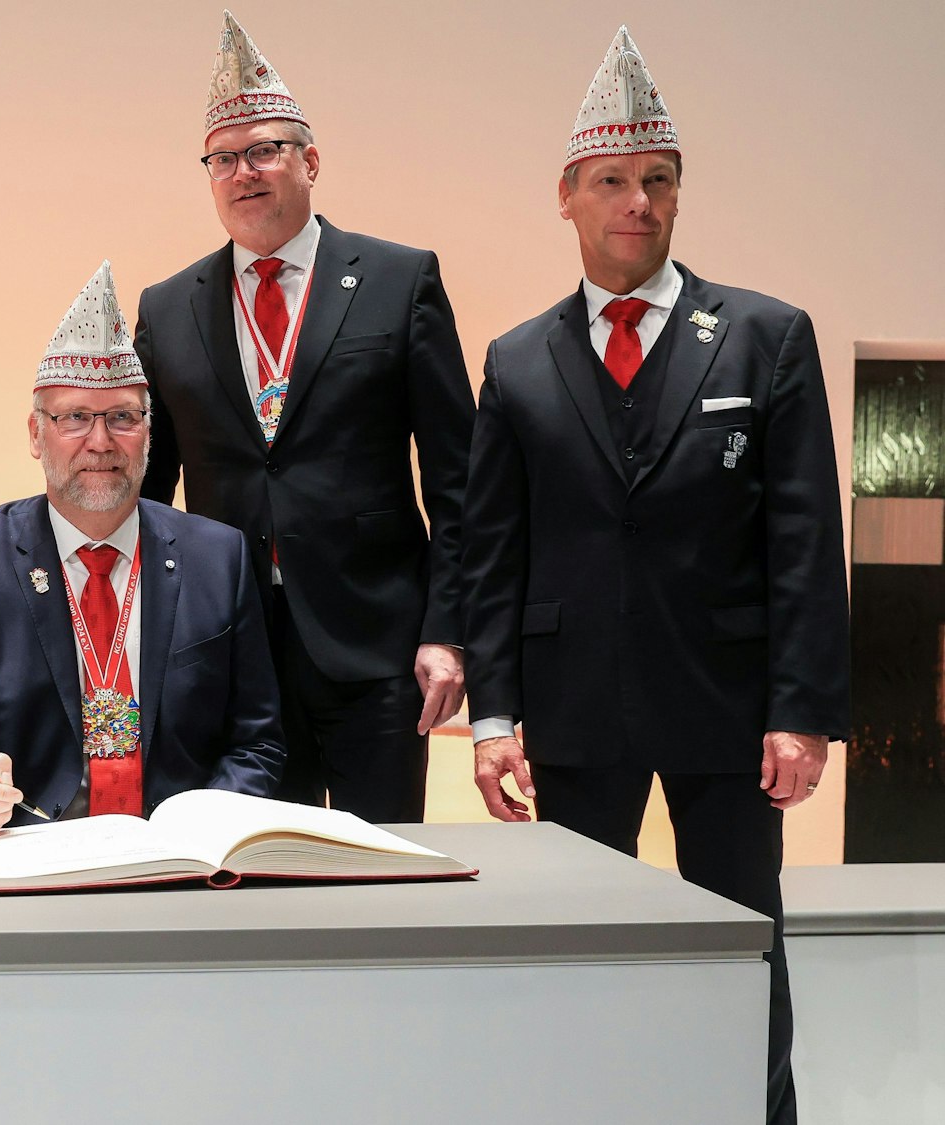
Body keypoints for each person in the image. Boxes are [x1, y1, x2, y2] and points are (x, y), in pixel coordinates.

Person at [462, 28, 849, 1125]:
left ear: (676, 196)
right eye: (612, 181)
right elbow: (489, 547)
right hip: (570, 710)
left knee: (743, 939)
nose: (636, 201)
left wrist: (802, 709)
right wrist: (493, 714)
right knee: (579, 948)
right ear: (567, 196)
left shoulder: (764, 338)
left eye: (656, 181)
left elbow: (804, 539)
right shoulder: (517, 358)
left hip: (726, 707)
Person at [135, 11, 475, 823]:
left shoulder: (400, 280)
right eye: (225, 158)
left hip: (377, 650)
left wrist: (450, 631)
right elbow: (147, 491)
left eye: (265, 151)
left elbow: (461, 481)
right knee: (252, 885)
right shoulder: (166, 307)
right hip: (230, 650)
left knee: (380, 885)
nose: (244, 172)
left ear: (310, 160)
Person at [0, 262, 286, 836]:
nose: (100, 442)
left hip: (178, 859)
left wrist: (202, 827)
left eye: (122, 417)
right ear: (34, 434)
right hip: (23, 847)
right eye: (74, 417)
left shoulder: (218, 558)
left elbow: (257, 739)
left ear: (149, 432)